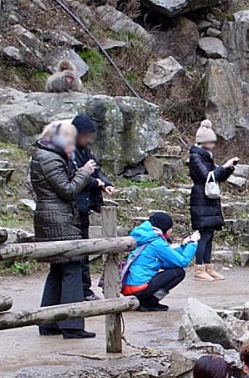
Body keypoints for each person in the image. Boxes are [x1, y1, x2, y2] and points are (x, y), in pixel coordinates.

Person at [30, 120, 97, 339]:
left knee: (57, 269)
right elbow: (67, 191)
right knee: (72, 267)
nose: (73, 144)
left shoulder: (45, 155)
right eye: (70, 140)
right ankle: (72, 325)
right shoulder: (50, 158)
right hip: (58, 219)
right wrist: (84, 172)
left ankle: (48, 323)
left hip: (50, 217)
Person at [188, 119, 238, 283]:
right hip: (201, 197)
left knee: (210, 234)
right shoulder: (195, 156)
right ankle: (199, 268)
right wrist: (223, 167)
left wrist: (228, 169)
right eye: (211, 141)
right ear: (204, 142)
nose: (213, 145)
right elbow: (207, 176)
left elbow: (218, 177)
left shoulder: (207, 156)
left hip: (209, 198)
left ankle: (208, 266)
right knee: (203, 234)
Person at [71, 114, 115, 301]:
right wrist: (95, 182)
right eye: (87, 135)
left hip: (85, 207)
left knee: (85, 250)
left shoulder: (86, 150)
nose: (89, 139)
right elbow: (76, 176)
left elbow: (96, 170)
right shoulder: (69, 152)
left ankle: (85, 289)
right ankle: (80, 290)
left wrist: (105, 183)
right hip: (74, 206)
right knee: (78, 252)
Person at [122, 212, 199, 311]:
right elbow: (183, 262)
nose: (171, 231)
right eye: (171, 228)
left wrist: (183, 246)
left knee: (174, 270)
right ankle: (149, 303)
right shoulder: (156, 242)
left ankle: (146, 302)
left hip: (128, 287)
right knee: (179, 273)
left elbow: (168, 261)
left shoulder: (145, 237)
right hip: (138, 288)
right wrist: (193, 243)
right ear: (165, 227)